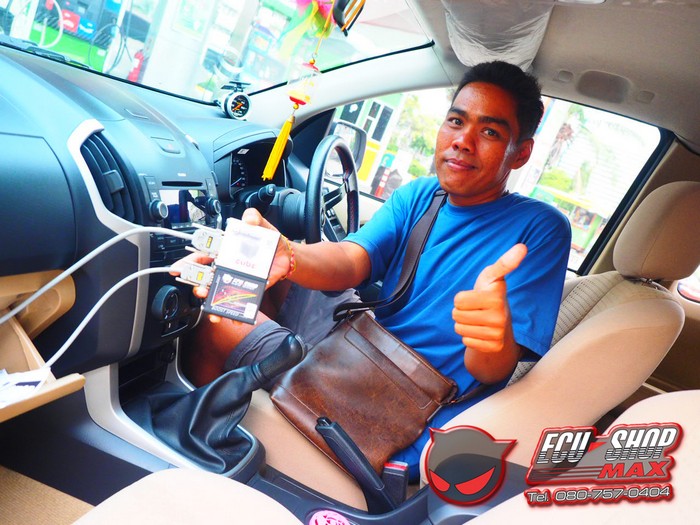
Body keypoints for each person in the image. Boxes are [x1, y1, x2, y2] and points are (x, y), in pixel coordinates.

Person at [176, 60, 572, 480]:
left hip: (396, 408)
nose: (463, 141)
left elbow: (491, 369)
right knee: (264, 285)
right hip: (361, 350)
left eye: (490, 132)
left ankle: (198, 456)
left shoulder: (540, 228)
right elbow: (351, 260)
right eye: (456, 121)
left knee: (218, 319)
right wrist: (289, 255)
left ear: (521, 153)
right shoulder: (422, 195)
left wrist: (491, 337)